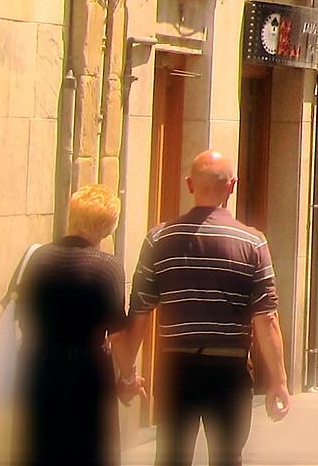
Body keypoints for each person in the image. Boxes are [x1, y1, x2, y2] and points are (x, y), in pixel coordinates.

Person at [116, 151, 289, 466]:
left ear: (189, 184)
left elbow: (139, 312)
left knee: (170, 457)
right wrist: (278, 380)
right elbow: (267, 318)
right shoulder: (253, 244)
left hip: (175, 369)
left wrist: (127, 373)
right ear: (232, 186)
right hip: (230, 371)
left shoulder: (158, 239)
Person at [16, 185, 128, 466]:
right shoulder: (107, 267)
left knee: (40, 447)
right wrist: (128, 375)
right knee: (89, 449)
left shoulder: (38, 259)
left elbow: (24, 314)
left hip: (38, 365)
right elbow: (117, 332)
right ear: (107, 226)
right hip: (87, 370)